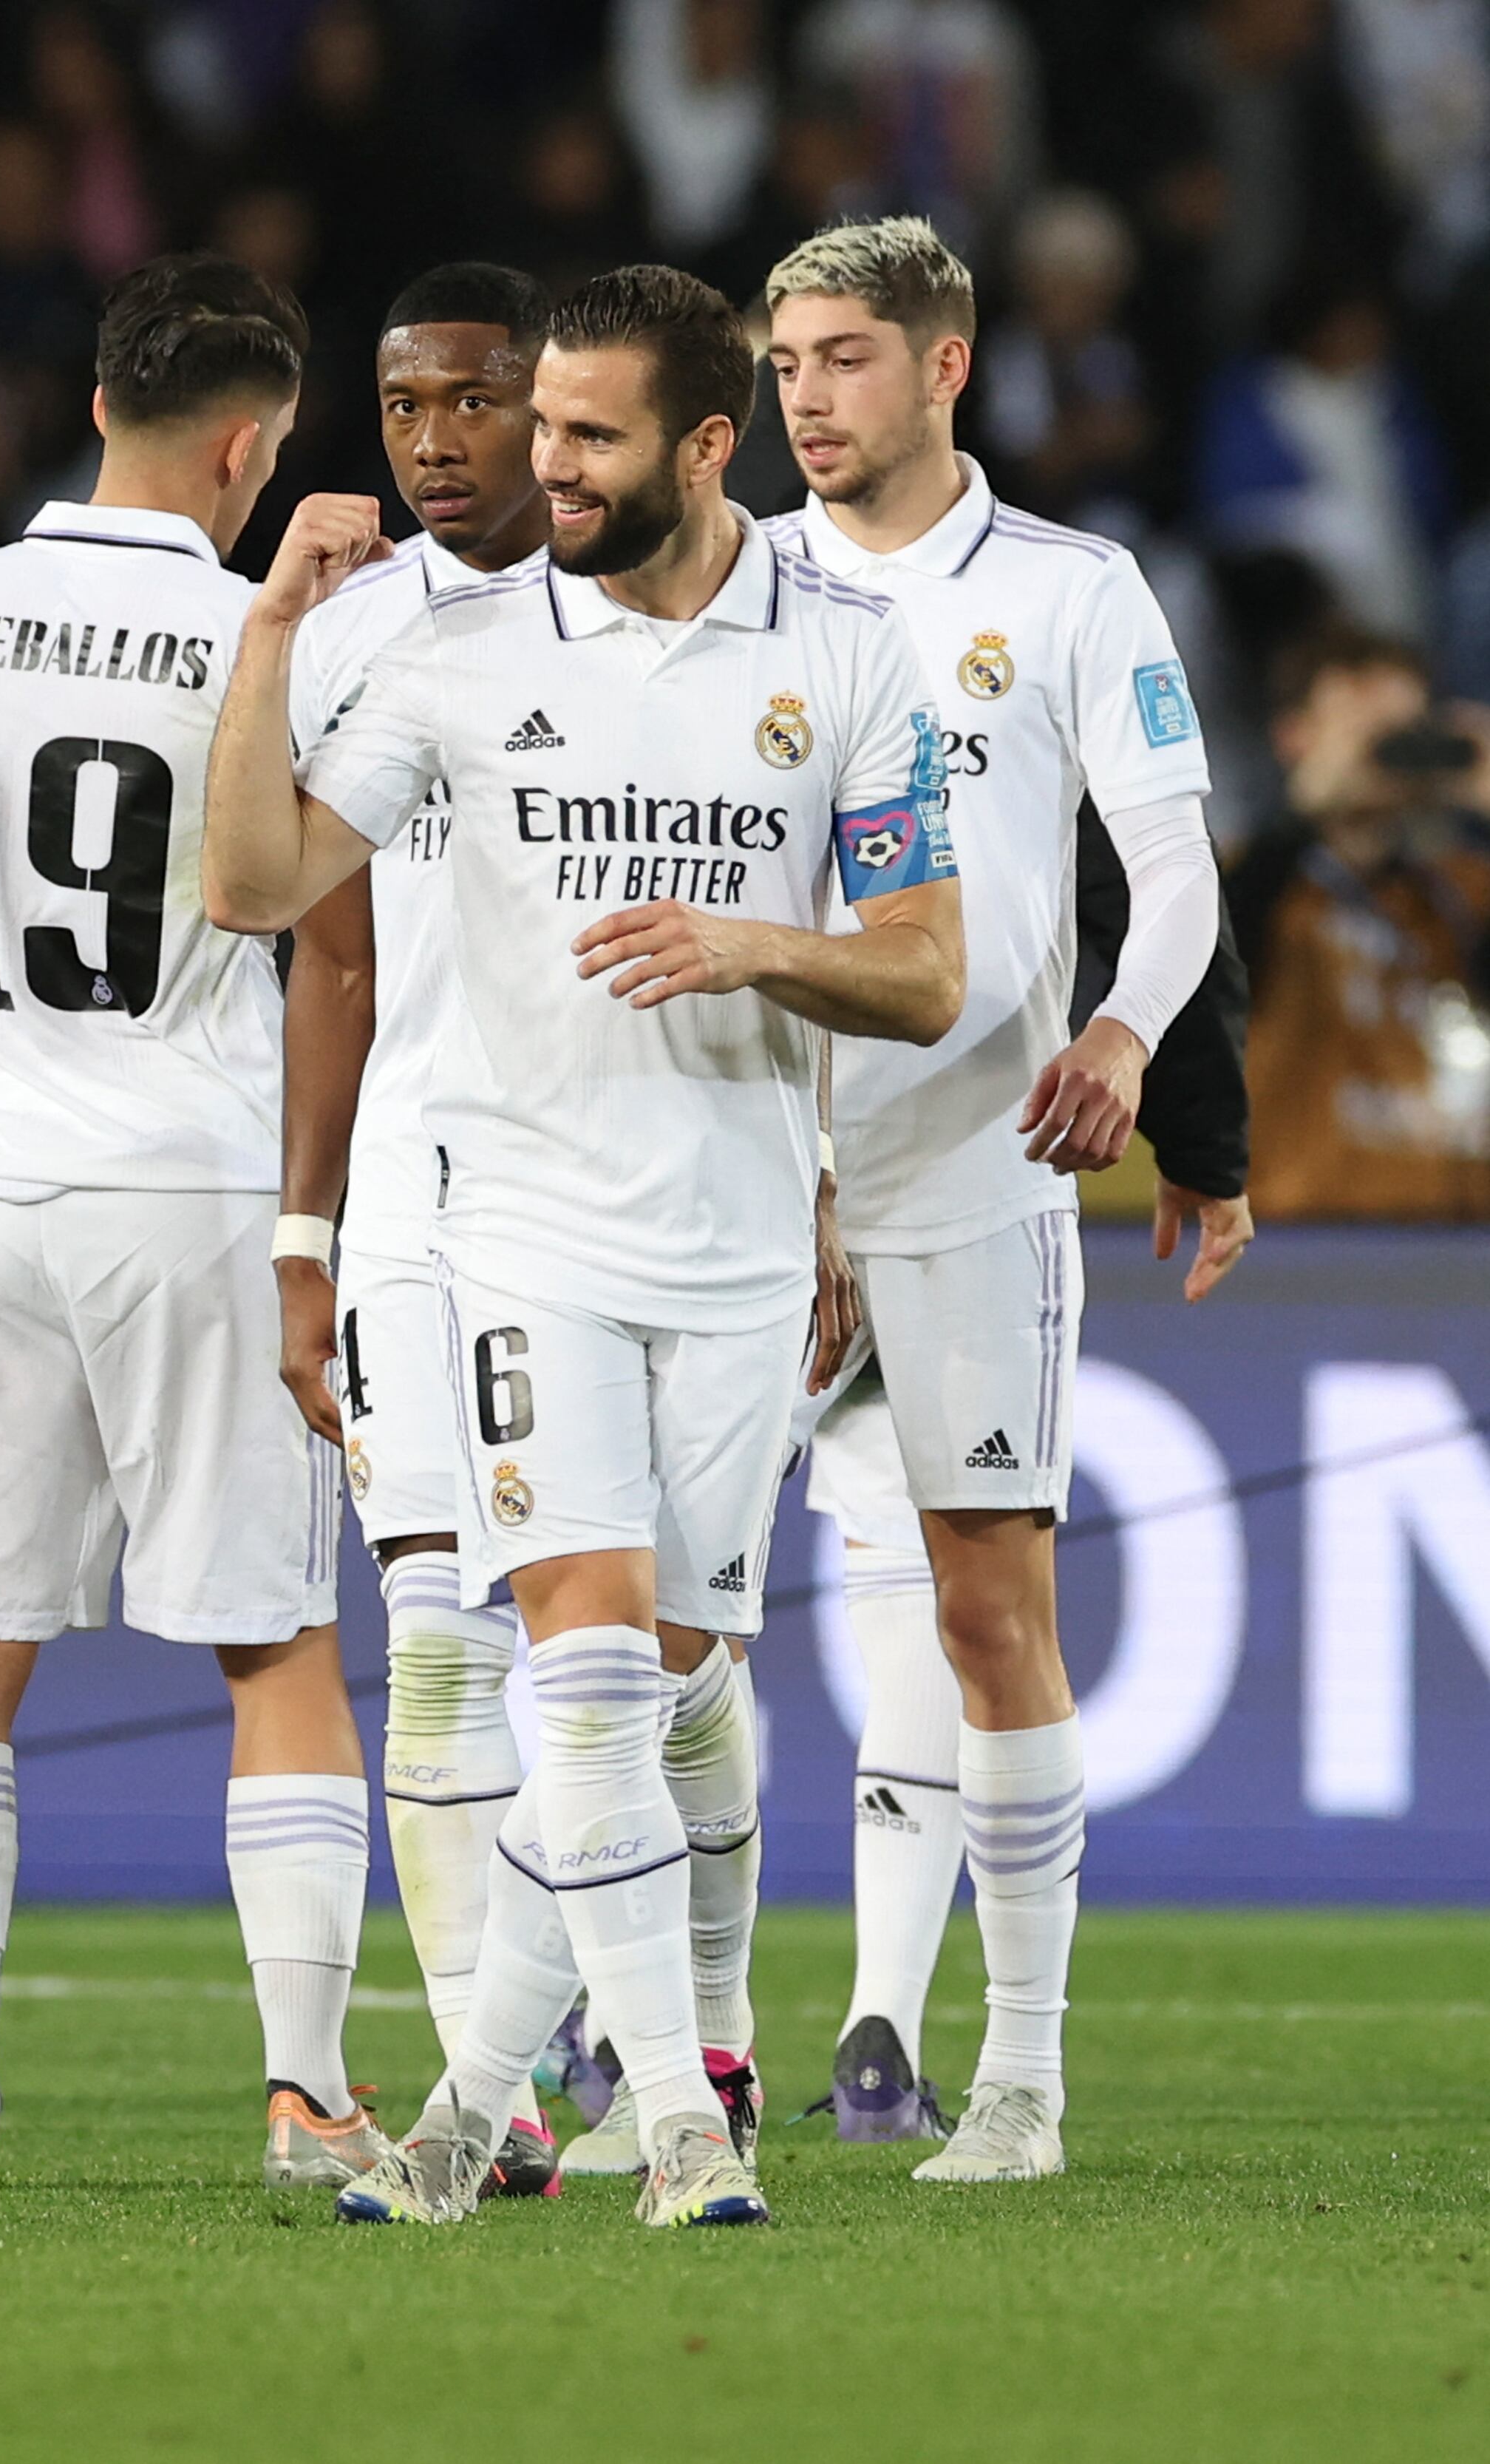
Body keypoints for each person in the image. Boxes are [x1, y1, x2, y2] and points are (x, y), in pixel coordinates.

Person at [204, 262, 967, 2230]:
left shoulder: (855, 658)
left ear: (708, 446)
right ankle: (687, 2123)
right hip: (518, 1225)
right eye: (540, 427)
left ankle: (467, 2106)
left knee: (679, 1664)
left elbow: (929, 972)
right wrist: (274, 631)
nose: (543, 466)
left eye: (588, 436)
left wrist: (753, 945)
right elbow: (256, 881)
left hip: (732, 1243)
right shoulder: (457, 658)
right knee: (588, 1656)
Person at [0, 255, 382, 2197]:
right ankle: (305, 2092)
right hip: (193, 1191)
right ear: (242, 445)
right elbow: (320, 927)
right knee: (275, 1646)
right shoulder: (261, 635)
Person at [758, 216, 1238, 2181]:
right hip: (741, 1183)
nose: (803, 392)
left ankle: (1020, 2080)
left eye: (845, 354)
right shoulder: (726, 586)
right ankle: (667, 2060)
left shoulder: (1066, 592)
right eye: (783, 357)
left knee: (984, 1610)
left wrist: (1125, 1043)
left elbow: (1179, 867)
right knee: (660, 1621)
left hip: (974, 1170)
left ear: (947, 368)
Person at [267, 261, 566, 2201]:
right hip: (410, 1208)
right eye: (405, 407)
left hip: (608, 1193)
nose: (438, 441)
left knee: (636, 1652)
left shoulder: (649, 614)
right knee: (441, 1635)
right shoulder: (343, 635)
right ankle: (495, 2081)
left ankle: (693, 2021)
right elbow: (330, 949)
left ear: (556, 407)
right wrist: (305, 1224)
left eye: (476, 401)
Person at [1229, 626, 1490, 1219]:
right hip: (1307, 1237)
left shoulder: (1458, 894)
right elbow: (1203, 975)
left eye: (1405, 733)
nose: (1389, 755)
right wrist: (1306, 810)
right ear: (1294, 736)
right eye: (1367, 732)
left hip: (1459, 1240)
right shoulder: (1248, 881)